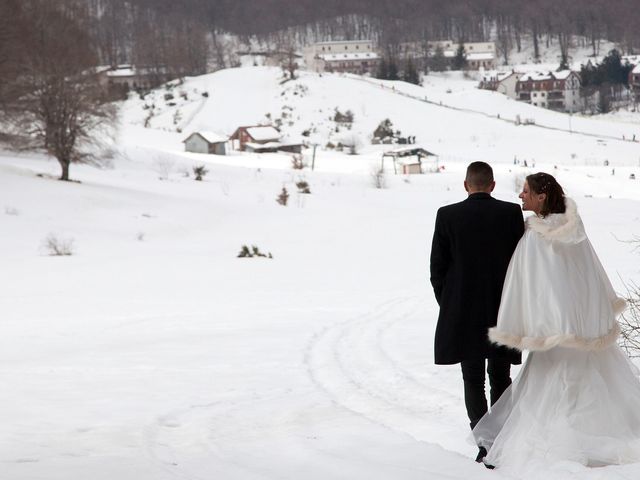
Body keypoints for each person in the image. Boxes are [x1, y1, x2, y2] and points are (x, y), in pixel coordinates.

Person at [473, 172, 639, 471]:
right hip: (580, 327)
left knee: (556, 385)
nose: (521, 195)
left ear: (541, 196)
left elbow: (540, 287)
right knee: (585, 381)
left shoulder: (538, 236)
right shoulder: (572, 229)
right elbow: (588, 278)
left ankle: (569, 441)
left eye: (526, 191)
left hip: (554, 330)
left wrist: (539, 324)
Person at [430, 161, 524, 463]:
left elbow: (437, 269)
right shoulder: (511, 214)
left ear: (466, 185)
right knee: (500, 376)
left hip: (463, 310)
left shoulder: (447, 215)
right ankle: (500, 438)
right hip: (503, 308)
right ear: (493, 185)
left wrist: (450, 303)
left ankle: (483, 442)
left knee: (472, 378)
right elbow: (521, 263)